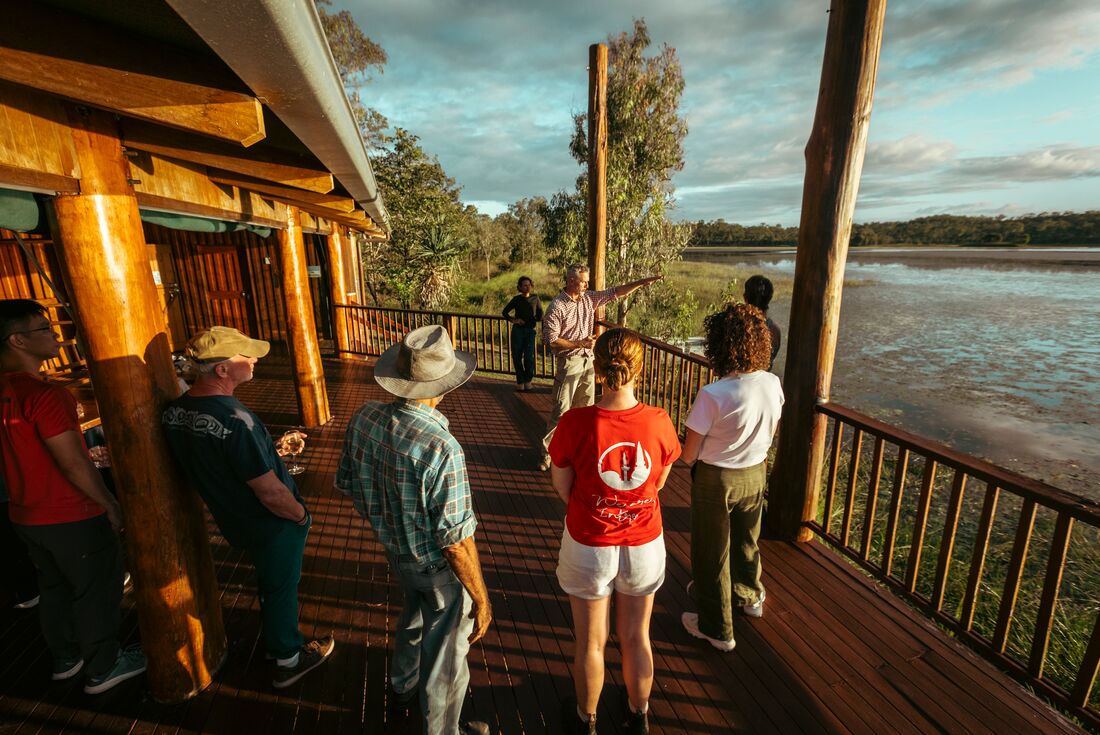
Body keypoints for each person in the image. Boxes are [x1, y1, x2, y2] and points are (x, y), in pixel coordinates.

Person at [335, 324, 492, 735]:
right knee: (447, 659)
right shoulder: (443, 449)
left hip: (397, 554)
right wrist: (481, 599)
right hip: (436, 567)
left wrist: (390, 525)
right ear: (443, 386)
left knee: (413, 616)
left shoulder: (364, 418)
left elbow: (348, 483)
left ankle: (402, 686)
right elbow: (456, 543)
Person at [161, 326, 333, 689]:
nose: (254, 359)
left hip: (232, 517)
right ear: (222, 370)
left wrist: (272, 449)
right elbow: (270, 492)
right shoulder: (237, 421)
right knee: (282, 586)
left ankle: (278, 638)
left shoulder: (176, 412)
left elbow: (220, 458)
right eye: (246, 355)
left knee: (271, 582)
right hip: (270, 521)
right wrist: (300, 516)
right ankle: (288, 657)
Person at [0, 299, 144, 693]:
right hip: (69, 515)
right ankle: (104, 666)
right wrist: (109, 504)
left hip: (24, 513)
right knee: (95, 588)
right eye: (43, 329)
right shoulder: (46, 396)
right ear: (18, 341)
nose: (54, 335)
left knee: (54, 588)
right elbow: (74, 465)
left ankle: (66, 658)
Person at [548, 328, 681, 735]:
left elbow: (562, 486)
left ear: (597, 367)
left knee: (591, 642)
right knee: (636, 637)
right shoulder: (659, 421)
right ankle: (637, 714)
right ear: (640, 369)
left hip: (589, 543)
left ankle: (585, 720)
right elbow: (657, 484)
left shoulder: (575, 422)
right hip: (643, 544)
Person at [680, 303, 784, 651]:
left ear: (720, 345)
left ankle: (717, 627)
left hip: (717, 479)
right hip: (756, 473)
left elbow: (689, 454)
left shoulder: (714, 394)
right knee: (746, 540)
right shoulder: (772, 383)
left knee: (711, 553)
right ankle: (749, 595)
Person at [539, 265, 662, 471]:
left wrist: (641, 283)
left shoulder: (589, 298)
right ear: (570, 281)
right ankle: (547, 455)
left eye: (587, 281)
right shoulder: (557, 306)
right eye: (583, 281)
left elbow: (616, 292)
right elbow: (550, 339)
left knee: (585, 409)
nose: (587, 285)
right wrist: (580, 343)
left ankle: (577, 452)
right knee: (562, 411)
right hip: (570, 363)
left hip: (588, 362)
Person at [501, 275, 543, 392]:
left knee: (529, 357)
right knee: (517, 356)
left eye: (529, 285)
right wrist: (514, 320)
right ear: (520, 287)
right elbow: (505, 312)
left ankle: (528, 380)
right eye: (524, 285)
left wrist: (534, 319)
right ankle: (520, 381)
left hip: (530, 331)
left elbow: (540, 315)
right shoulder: (516, 299)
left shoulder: (535, 298)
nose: (527, 287)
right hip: (518, 331)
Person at [743, 275, 781, 370]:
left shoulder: (739, 327)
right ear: (769, 298)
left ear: (745, 298)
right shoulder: (775, 331)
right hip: (765, 382)